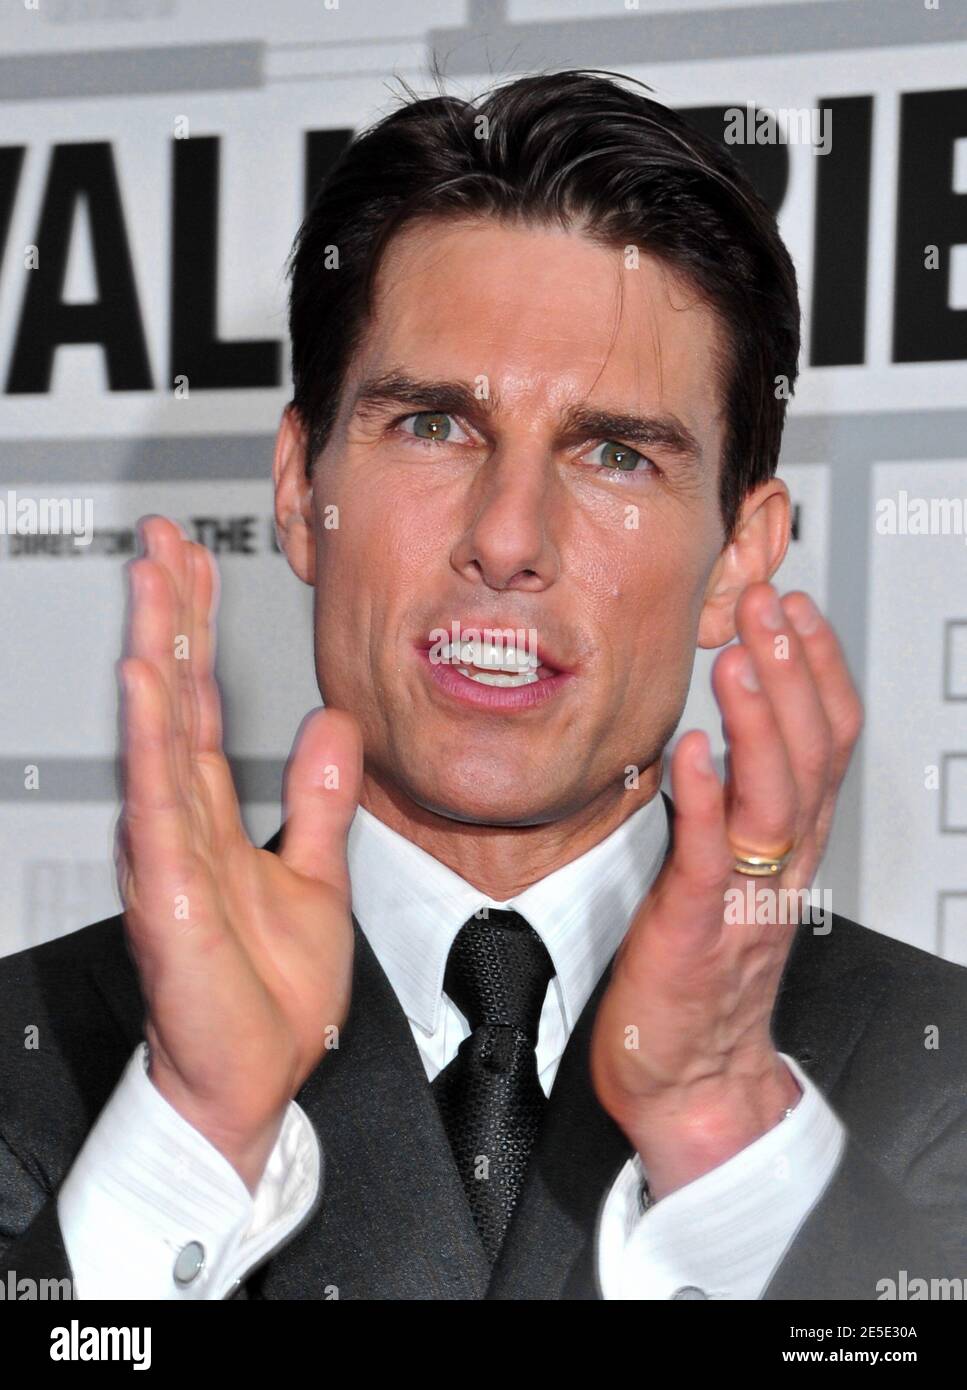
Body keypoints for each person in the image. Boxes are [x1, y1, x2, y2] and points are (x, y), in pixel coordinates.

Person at [2, 68, 966, 1302]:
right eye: (434, 426)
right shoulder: (35, 1061)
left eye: (616, 451)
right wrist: (187, 1142)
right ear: (301, 493)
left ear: (738, 556)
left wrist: (728, 1150)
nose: (509, 536)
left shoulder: (933, 1078)